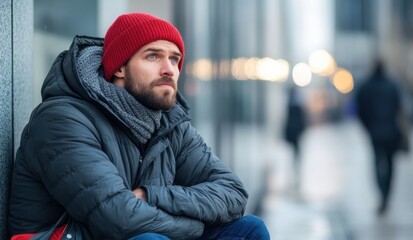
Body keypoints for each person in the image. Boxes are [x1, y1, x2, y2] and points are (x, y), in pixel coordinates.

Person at [8, 12, 270, 240]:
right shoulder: (62, 119)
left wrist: (150, 195)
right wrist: (197, 225)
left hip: (135, 231)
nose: (169, 69)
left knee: (249, 230)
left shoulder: (169, 123)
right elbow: (119, 219)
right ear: (120, 67)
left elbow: (233, 193)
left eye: (175, 59)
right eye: (153, 56)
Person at [356, 60, 403, 216]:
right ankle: (386, 194)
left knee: (377, 163)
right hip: (391, 132)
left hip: (375, 132)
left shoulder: (366, 86)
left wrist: (368, 127)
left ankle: (382, 194)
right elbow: (399, 107)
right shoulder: (392, 85)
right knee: (390, 164)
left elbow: (359, 109)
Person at [282, 86, 306, 193]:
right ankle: (295, 168)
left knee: (294, 151)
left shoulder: (291, 105)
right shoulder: (295, 105)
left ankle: (294, 169)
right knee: (295, 152)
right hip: (294, 133)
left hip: (293, 132)